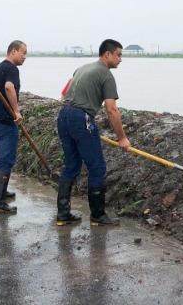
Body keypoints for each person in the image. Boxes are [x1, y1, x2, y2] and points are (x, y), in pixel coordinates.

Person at [56, 39, 131, 226]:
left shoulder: (82, 68)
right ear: (107, 54)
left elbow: (64, 92)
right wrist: (122, 138)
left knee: (71, 165)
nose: (121, 59)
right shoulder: (106, 75)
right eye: (118, 55)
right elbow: (111, 109)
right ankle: (98, 215)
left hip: (63, 115)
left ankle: (63, 214)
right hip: (81, 118)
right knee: (97, 167)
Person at [0, 40, 27, 215]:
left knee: (6, 157)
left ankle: (2, 192)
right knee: (7, 158)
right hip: (4, 121)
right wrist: (16, 112)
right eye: (23, 53)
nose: (25, 57)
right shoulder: (11, 69)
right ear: (13, 51)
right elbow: (9, 87)